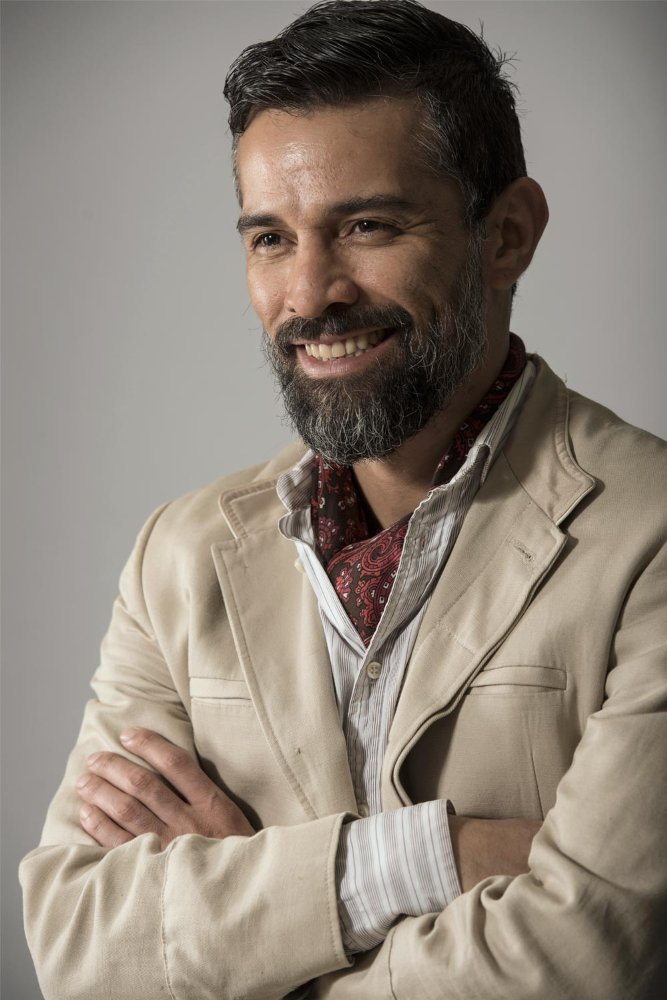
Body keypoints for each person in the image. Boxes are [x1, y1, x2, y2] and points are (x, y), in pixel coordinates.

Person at [20, 1, 667, 997]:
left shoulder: (649, 536)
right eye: (271, 238)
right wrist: (430, 854)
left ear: (506, 235)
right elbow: (78, 947)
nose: (309, 292)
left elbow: (585, 962)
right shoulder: (177, 557)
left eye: (367, 226)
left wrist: (251, 930)